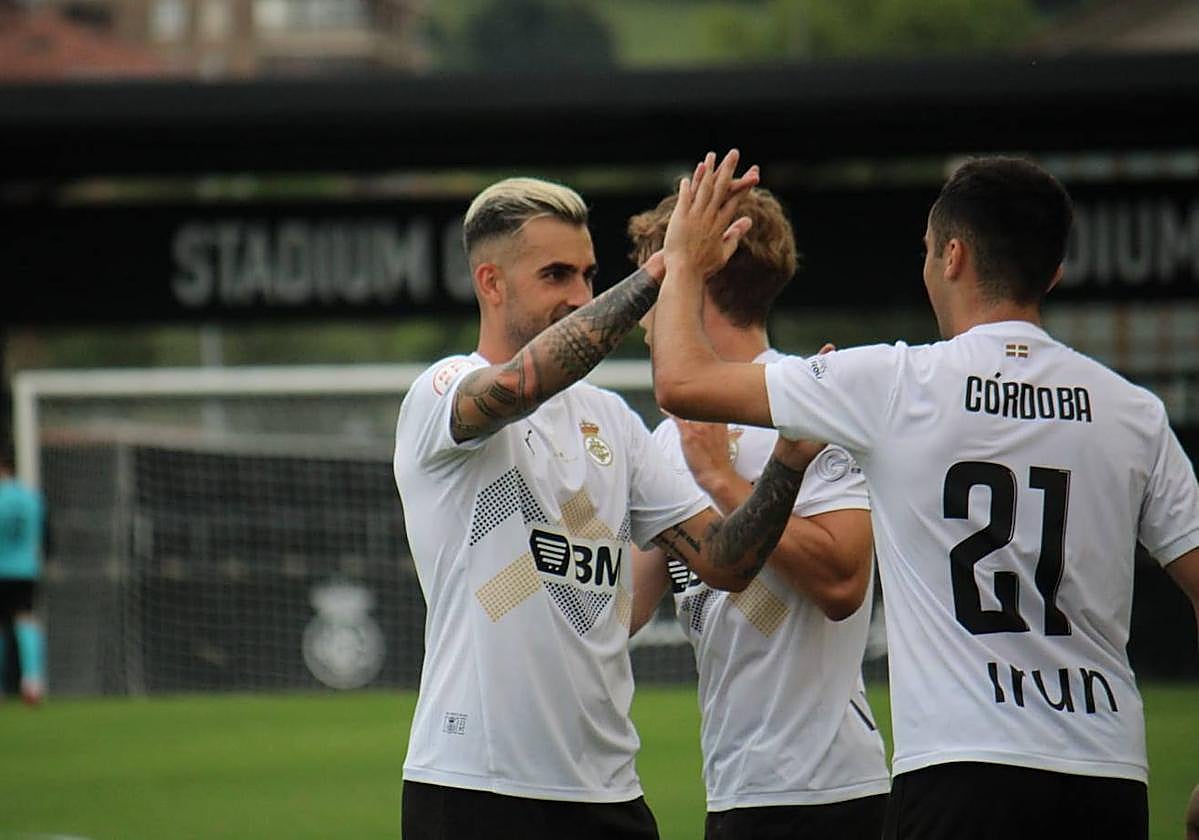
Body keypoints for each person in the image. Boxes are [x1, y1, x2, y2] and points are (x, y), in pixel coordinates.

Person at [649, 153, 1199, 839]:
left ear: (952, 257)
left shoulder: (894, 383)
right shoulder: (1132, 413)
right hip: (1106, 774)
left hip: (957, 773)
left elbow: (680, 381)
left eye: (925, 250)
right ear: (1053, 273)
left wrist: (683, 259)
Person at [393, 151, 815, 840]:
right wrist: (666, 269)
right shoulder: (441, 392)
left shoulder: (612, 421)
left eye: (588, 274)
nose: (580, 294)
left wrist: (789, 463)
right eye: (555, 274)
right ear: (490, 283)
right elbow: (518, 386)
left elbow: (724, 564)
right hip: (475, 784)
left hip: (606, 792)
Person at [626, 188, 889, 839]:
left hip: (830, 794)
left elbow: (841, 584)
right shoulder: (664, 438)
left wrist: (720, 478)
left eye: (655, 277)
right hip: (736, 788)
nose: (638, 310)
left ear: (696, 274)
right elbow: (618, 613)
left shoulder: (807, 401)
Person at [0, 442, 47, 705]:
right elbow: (44, 535)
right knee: (26, 620)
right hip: (25, 570)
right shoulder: (31, 497)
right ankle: (32, 681)